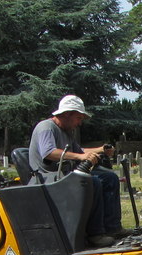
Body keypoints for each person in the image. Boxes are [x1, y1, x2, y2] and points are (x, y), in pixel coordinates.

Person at [28, 95, 131, 247]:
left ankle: (112, 228)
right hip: (48, 178)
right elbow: (49, 152)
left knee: (109, 177)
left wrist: (101, 150)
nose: (80, 123)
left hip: (64, 176)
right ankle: (96, 234)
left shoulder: (66, 132)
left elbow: (80, 151)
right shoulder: (46, 127)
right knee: (92, 181)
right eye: (78, 118)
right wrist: (81, 156)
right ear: (67, 114)